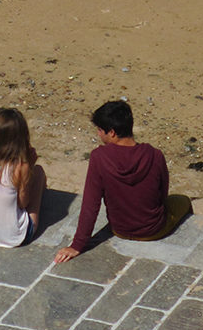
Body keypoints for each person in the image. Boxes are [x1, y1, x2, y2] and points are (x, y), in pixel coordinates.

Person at [54, 100, 191, 262]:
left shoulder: (99, 158)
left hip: (119, 230)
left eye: (100, 130)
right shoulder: (155, 155)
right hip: (154, 231)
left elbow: (90, 205)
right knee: (183, 200)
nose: (98, 134)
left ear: (112, 132)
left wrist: (77, 245)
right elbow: (162, 195)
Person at [0, 107, 46, 247]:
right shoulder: (20, 166)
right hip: (13, 236)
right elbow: (23, 203)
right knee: (39, 173)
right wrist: (30, 167)